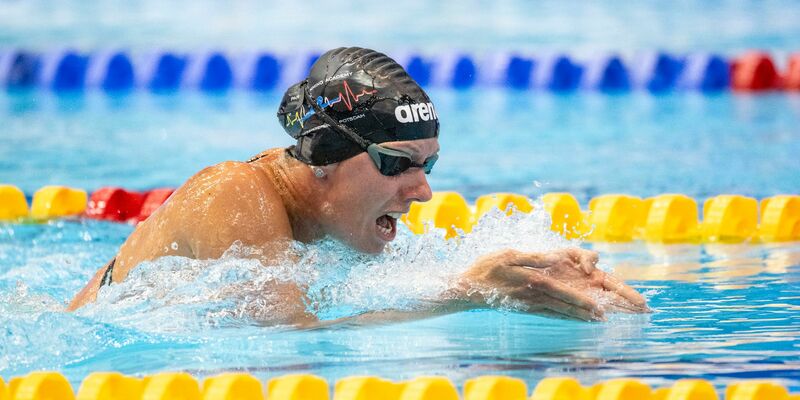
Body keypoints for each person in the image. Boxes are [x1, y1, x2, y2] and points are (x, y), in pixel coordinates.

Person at [68, 47, 648, 324]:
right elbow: (285, 350)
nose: (422, 192)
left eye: (428, 166)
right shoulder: (235, 194)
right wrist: (467, 292)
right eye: (397, 164)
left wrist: (524, 272)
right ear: (323, 157)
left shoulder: (331, 219)